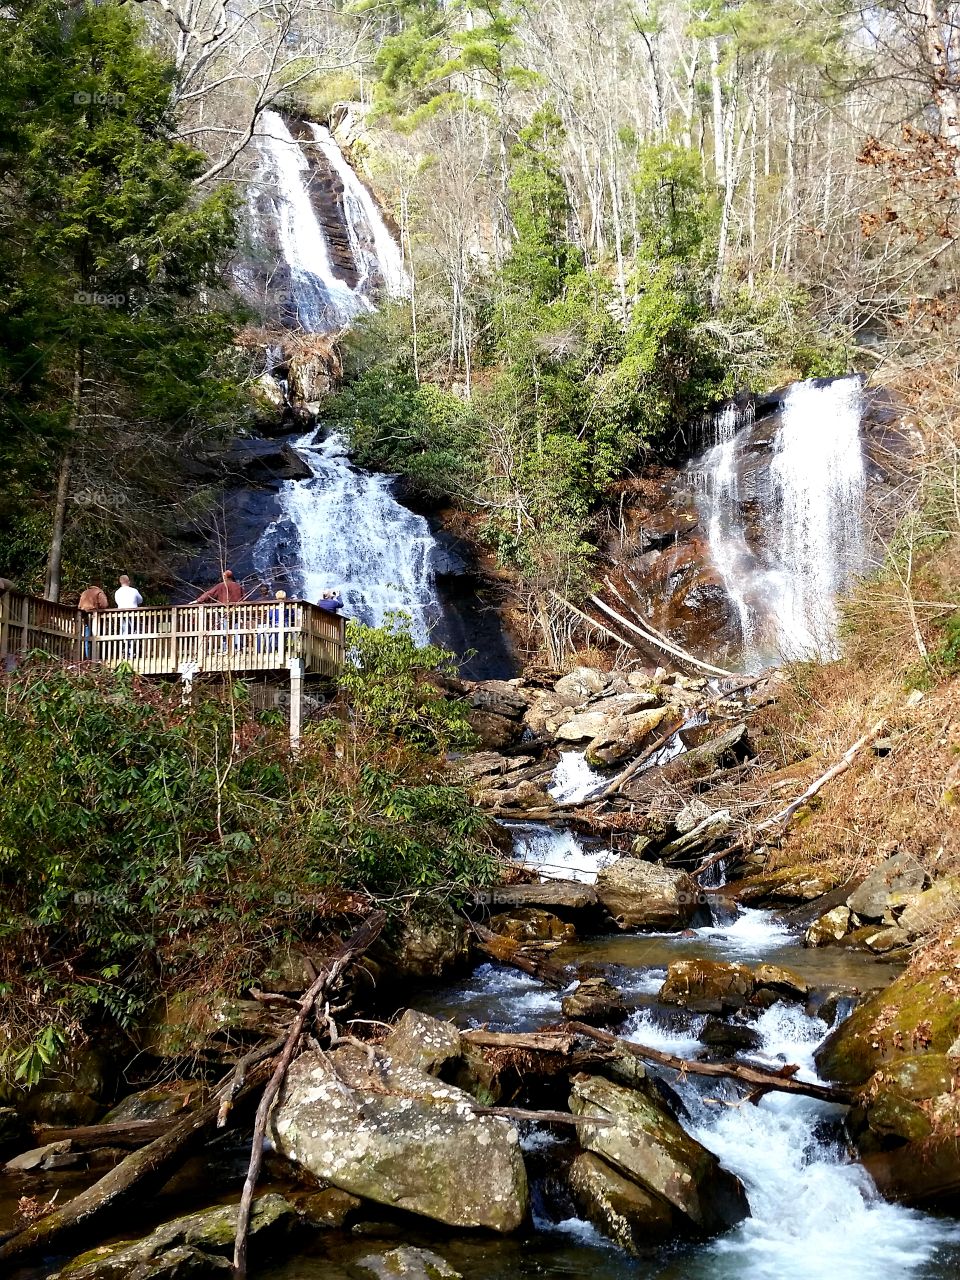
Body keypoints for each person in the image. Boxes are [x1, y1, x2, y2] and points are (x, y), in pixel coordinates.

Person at [78, 582, 109, 659]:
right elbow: (105, 604)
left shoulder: (84, 593)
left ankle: (88, 656)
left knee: (87, 636)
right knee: (97, 636)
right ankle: (97, 656)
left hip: (85, 616)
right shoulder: (99, 592)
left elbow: (79, 606)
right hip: (95, 616)